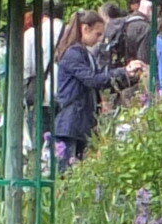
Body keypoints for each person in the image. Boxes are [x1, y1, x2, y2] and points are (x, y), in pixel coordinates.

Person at [48, 10, 121, 165]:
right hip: (72, 120)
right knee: (66, 170)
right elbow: (93, 79)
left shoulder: (83, 53)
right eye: (97, 34)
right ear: (85, 29)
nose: (99, 39)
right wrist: (123, 71)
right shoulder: (74, 53)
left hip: (79, 120)